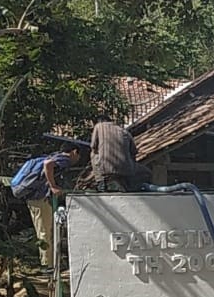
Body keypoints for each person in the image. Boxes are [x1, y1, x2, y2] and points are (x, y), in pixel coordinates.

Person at [11, 141, 87, 269]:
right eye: (78, 156)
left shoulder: (53, 155)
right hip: (38, 199)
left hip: (35, 198)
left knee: (47, 230)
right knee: (45, 231)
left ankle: (51, 262)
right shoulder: (64, 158)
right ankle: (48, 265)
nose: (77, 159)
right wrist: (53, 186)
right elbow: (48, 164)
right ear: (74, 152)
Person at [89, 114, 148, 191]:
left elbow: (93, 146)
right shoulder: (124, 131)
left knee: (93, 154)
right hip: (127, 170)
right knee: (146, 172)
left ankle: (101, 182)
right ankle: (132, 183)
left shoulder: (99, 126)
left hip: (107, 169)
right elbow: (134, 152)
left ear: (99, 121)